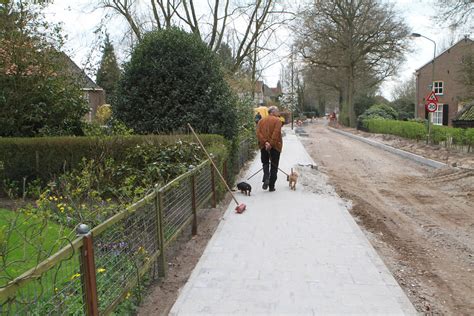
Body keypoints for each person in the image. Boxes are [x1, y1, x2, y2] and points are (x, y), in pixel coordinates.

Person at [256, 106, 282, 192]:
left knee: (265, 163)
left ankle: (266, 177)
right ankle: (271, 186)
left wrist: (265, 142)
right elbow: (276, 133)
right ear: (272, 112)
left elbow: (258, 133)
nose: (278, 113)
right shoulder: (278, 120)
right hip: (275, 146)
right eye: (277, 111)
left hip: (264, 146)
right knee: (274, 166)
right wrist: (270, 144)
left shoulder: (260, 121)